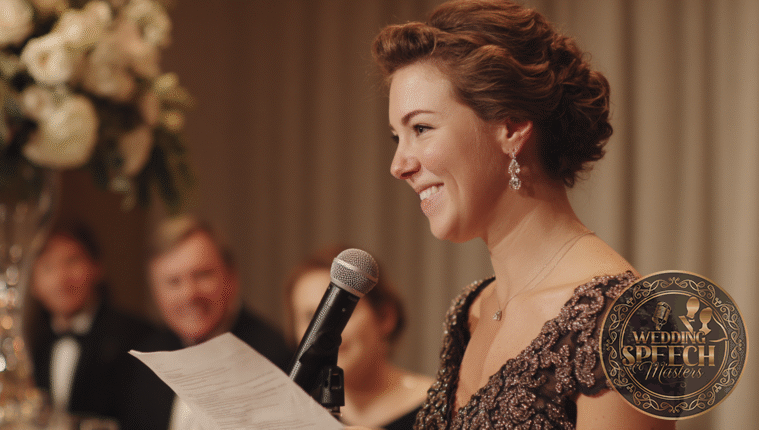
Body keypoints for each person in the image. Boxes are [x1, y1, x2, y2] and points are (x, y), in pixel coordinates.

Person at [365, 1, 676, 429]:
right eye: (396, 137)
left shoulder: (627, 324)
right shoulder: (470, 310)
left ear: (510, 126)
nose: (399, 165)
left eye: (420, 129)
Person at [117, 214, 293, 430]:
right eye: (173, 282)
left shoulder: (274, 356)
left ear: (232, 278)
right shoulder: (146, 358)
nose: (189, 294)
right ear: (155, 292)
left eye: (202, 275)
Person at [283, 245, 433, 430]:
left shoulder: (440, 404)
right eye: (311, 317)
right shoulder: (299, 412)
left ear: (386, 316)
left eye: (341, 313)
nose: (324, 330)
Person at [29, 220, 153, 421]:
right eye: (48, 267)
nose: (61, 278)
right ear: (34, 284)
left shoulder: (137, 337)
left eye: (72, 261)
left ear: (97, 267)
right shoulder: (29, 344)